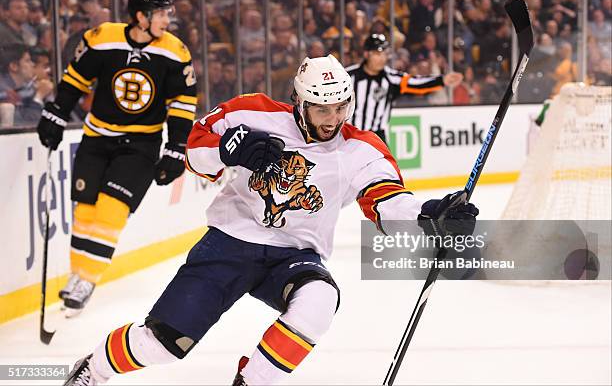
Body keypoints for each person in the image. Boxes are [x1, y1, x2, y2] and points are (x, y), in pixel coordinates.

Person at [62, 54, 478, 385]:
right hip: (228, 245)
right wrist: (229, 149)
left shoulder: (362, 149)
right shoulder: (252, 112)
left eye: (340, 107)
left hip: (294, 256)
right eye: (321, 110)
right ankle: (93, 370)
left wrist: (430, 217)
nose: (333, 120)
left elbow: (386, 201)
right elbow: (194, 154)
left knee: (320, 301)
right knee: (164, 344)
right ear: (299, 102)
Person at [36, 0, 197, 314]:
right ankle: (78, 275)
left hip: (140, 145)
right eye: (162, 13)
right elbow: (76, 78)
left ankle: (87, 280)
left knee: (112, 207)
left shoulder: (175, 52)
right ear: (141, 17)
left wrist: (176, 147)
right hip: (97, 138)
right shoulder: (102, 37)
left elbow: (182, 103)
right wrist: (57, 112)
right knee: (85, 209)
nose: (168, 19)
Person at [346, 33, 463, 143]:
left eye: (384, 54)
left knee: (388, 165)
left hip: (377, 138)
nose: (382, 58)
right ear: (366, 54)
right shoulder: (347, 77)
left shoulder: (391, 78)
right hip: (352, 137)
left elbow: (417, 83)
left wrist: (441, 80)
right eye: (377, 54)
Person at [0, 43, 54, 126]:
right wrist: (39, 96)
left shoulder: (25, 89)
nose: (32, 64)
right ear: (14, 66)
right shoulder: (4, 92)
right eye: (27, 61)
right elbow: (24, 124)